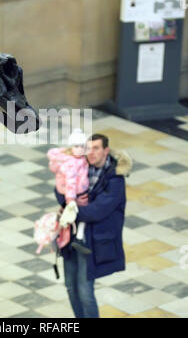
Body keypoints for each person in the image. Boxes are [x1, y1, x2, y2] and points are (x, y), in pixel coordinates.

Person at [55, 134, 132, 318]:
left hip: (92, 241)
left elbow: (98, 211)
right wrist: (69, 201)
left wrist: (71, 209)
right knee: (71, 287)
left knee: (85, 290)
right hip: (72, 236)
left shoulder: (115, 180)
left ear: (106, 150)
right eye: (89, 148)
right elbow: (59, 188)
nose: (91, 152)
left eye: (96, 148)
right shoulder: (79, 166)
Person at [47, 128, 89, 249]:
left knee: (65, 215)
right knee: (79, 214)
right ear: (71, 147)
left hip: (72, 193)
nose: (80, 149)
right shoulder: (72, 162)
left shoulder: (77, 159)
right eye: (77, 146)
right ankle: (79, 237)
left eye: (82, 146)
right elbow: (71, 182)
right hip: (74, 194)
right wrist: (70, 200)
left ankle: (56, 234)